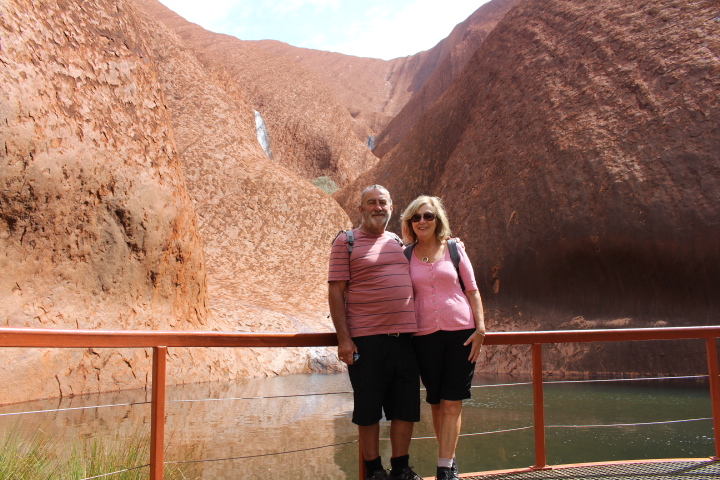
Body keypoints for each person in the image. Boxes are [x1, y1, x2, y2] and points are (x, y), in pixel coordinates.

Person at [328, 185, 422, 480]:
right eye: (372, 203)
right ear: (361, 208)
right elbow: (335, 292)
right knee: (368, 410)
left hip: (405, 340)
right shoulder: (347, 242)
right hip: (366, 341)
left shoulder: (398, 241)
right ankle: (374, 471)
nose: (378, 207)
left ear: (391, 207)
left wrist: (452, 244)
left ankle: (401, 468)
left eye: (383, 203)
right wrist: (344, 339)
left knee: (405, 408)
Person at [400, 196, 486, 480]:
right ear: (410, 224)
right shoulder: (406, 255)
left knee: (452, 401)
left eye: (428, 216)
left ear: (438, 220)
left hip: (460, 333)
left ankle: (445, 467)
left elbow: (472, 290)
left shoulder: (454, 248)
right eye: (416, 217)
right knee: (436, 401)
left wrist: (481, 329)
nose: (422, 221)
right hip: (423, 336)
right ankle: (447, 457)